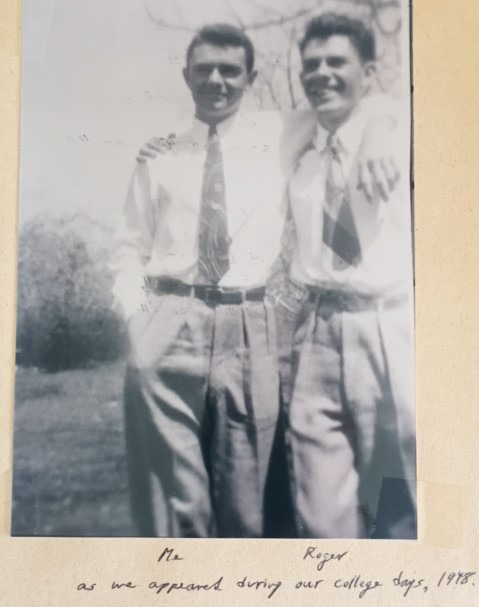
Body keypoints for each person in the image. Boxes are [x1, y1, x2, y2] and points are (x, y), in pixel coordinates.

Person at [110, 24, 290, 538]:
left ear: (250, 77)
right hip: (169, 322)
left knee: (246, 505)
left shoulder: (281, 140)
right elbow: (129, 246)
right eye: (204, 69)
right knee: (177, 506)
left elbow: (361, 114)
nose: (216, 80)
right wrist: (138, 323)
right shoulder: (160, 155)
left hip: (249, 322)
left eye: (229, 70)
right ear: (186, 75)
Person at [281, 13, 416, 539]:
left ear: (369, 72)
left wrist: (382, 122)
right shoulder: (295, 143)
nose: (322, 73)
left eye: (336, 61)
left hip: (385, 328)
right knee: (320, 504)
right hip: (315, 330)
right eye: (311, 64)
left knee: (396, 498)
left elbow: (409, 107)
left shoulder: (401, 138)